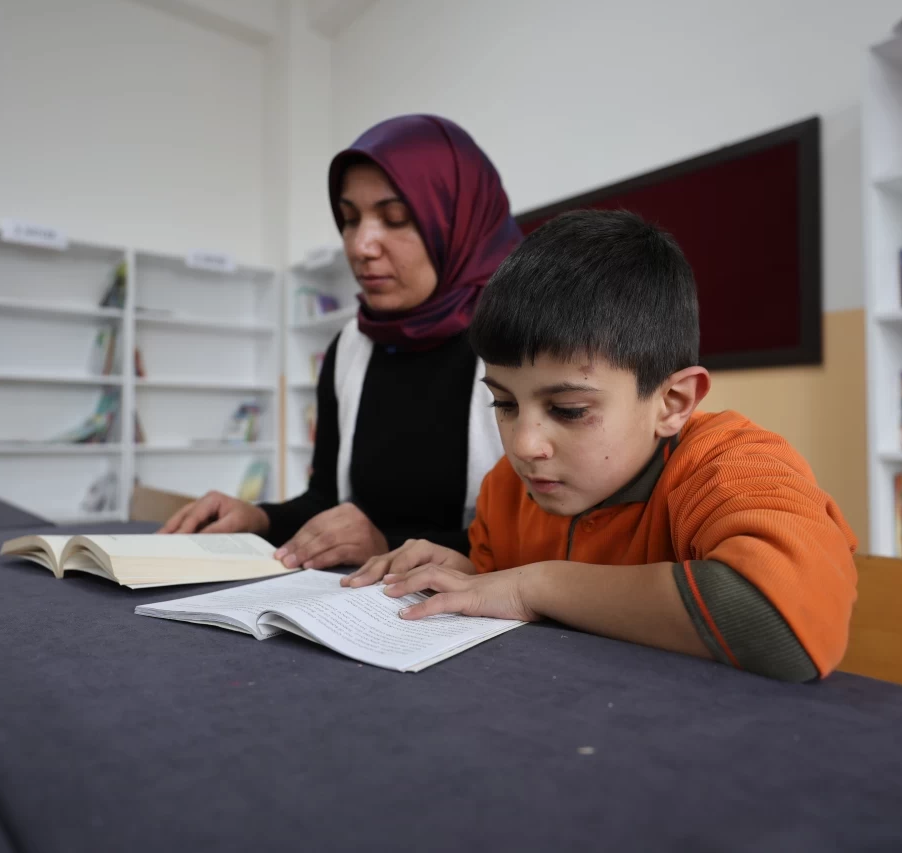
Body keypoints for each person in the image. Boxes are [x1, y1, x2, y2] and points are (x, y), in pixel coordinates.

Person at [343, 210, 859, 682]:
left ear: (673, 402)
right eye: (504, 403)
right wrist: (473, 578)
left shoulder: (727, 464)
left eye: (569, 410)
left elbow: (777, 620)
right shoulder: (506, 490)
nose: (525, 444)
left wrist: (533, 586)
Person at [160, 115, 522, 571]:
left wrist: (384, 544)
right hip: (362, 597)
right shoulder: (352, 346)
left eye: (395, 218)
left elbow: (543, 537)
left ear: (459, 222)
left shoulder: (520, 343)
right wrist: (260, 518)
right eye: (349, 220)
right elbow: (326, 499)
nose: (360, 246)